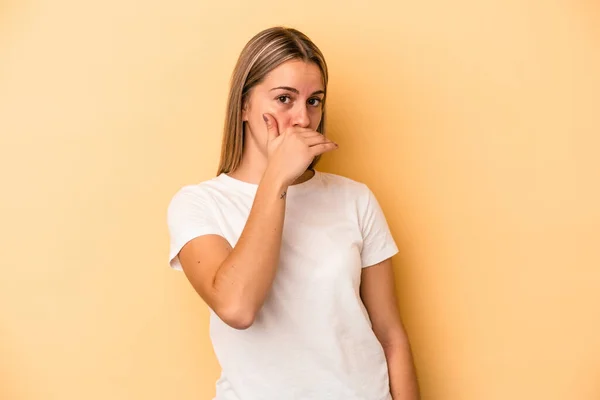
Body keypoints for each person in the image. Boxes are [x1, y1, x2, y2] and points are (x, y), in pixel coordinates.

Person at [167, 26, 420, 400]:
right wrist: (277, 178)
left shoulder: (354, 199)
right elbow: (237, 307)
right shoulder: (199, 204)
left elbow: (390, 336)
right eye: (284, 98)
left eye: (314, 101)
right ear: (244, 106)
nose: (303, 118)